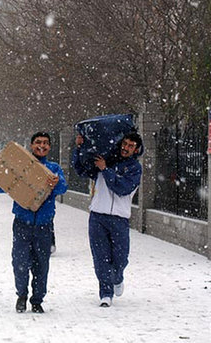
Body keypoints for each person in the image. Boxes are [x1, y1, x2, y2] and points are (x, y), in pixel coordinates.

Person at [0, 132, 67, 313]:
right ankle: (21, 295)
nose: (41, 146)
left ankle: (37, 300)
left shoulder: (53, 168)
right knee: (20, 262)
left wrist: (56, 182)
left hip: (44, 226)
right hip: (22, 223)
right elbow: (6, 184)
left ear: (50, 147)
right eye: (38, 142)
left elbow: (63, 188)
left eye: (45, 143)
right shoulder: (21, 164)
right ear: (31, 145)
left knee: (41, 264)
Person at [72, 131, 143, 308]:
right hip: (97, 216)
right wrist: (80, 148)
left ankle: (117, 278)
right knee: (100, 257)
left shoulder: (134, 169)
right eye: (124, 144)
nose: (126, 148)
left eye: (130, 146)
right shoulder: (105, 160)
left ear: (136, 149)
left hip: (120, 219)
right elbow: (82, 169)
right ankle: (105, 293)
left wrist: (106, 170)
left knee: (120, 258)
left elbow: (122, 187)